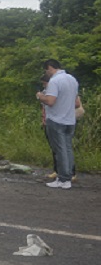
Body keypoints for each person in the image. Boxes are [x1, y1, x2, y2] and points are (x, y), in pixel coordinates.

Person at [36, 59, 78, 189]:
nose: (46, 73)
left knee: (60, 150)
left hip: (56, 120)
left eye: (46, 70)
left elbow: (50, 101)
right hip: (70, 120)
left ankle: (63, 179)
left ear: (49, 68)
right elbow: (76, 103)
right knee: (67, 149)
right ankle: (69, 176)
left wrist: (39, 96)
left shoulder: (54, 81)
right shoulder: (72, 79)